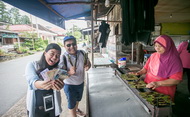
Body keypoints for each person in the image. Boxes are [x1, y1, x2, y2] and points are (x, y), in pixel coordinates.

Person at [130, 35, 183, 100]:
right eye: (156, 46)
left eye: (160, 46)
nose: (157, 48)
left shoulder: (174, 60)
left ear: (168, 46)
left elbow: (176, 80)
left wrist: (158, 83)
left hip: (163, 92)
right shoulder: (153, 55)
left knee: (160, 108)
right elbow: (146, 68)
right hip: (148, 86)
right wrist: (139, 72)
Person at [25, 43, 64, 117]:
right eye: (52, 54)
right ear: (45, 53)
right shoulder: (32, 65)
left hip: (53, 106)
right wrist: (42, 84)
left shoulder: (58, 70)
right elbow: (32, 82)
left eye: (58, 56)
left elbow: (61, 82)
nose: (55, 57)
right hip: (37, 107)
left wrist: (60, 85)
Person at [59, 35, 91, 117]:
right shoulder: (63, 57)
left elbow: (88, 63)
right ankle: (74, 112)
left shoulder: (82, 53)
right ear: (64, 46)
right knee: (71, 104)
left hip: (80, 83)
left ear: (77, 44)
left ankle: (76, 110)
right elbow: (60, 76)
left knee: (78, 99)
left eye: (74, 44)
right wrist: (69, 72)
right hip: (69, 85)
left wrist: (88, 65)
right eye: (68, 45)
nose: (72, 47)